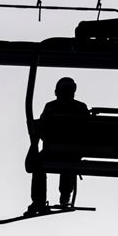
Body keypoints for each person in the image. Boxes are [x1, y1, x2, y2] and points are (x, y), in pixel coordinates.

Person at [27, 77, 90, 216]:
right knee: (69, 161)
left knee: (39, 164)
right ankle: (65, 195)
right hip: (73, 153)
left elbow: (42, 130)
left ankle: (39, 200)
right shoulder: (81, 107)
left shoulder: (51, 106)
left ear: (57, 91)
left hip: (53, 151)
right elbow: (88, 132)